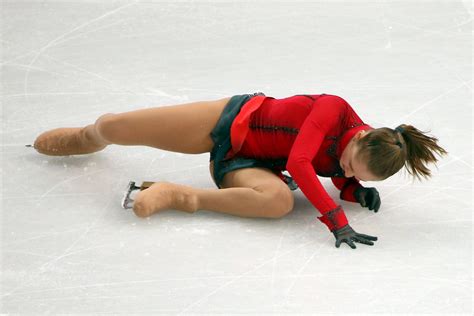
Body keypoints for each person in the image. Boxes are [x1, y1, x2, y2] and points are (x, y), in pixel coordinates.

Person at [32, 92, 448, 249]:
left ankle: (179, 194)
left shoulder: (353, 154)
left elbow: (328, 171)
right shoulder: (333, 109)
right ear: (360, 136)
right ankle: (89, 136)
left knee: (279, 201)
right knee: (115, 126)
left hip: (248, 166)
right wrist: (337, 221)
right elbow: (303, 161)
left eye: (358, 176)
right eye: (350, 167)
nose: (345, 171)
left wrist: (354, 190)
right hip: (226, 122)